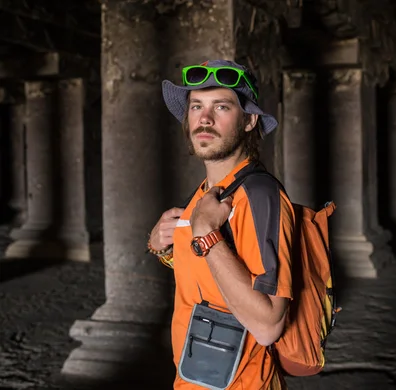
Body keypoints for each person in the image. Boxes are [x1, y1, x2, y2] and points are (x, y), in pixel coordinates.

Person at [147, 59, 294, 390]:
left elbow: (269, 324)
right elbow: (209, 279)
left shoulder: (261, 195)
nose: (205, 118)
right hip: (193, 378)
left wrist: (205, 234)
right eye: (196, 106)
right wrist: (162, 245)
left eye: (221, 107)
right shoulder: (202, 196)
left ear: (249, 121)